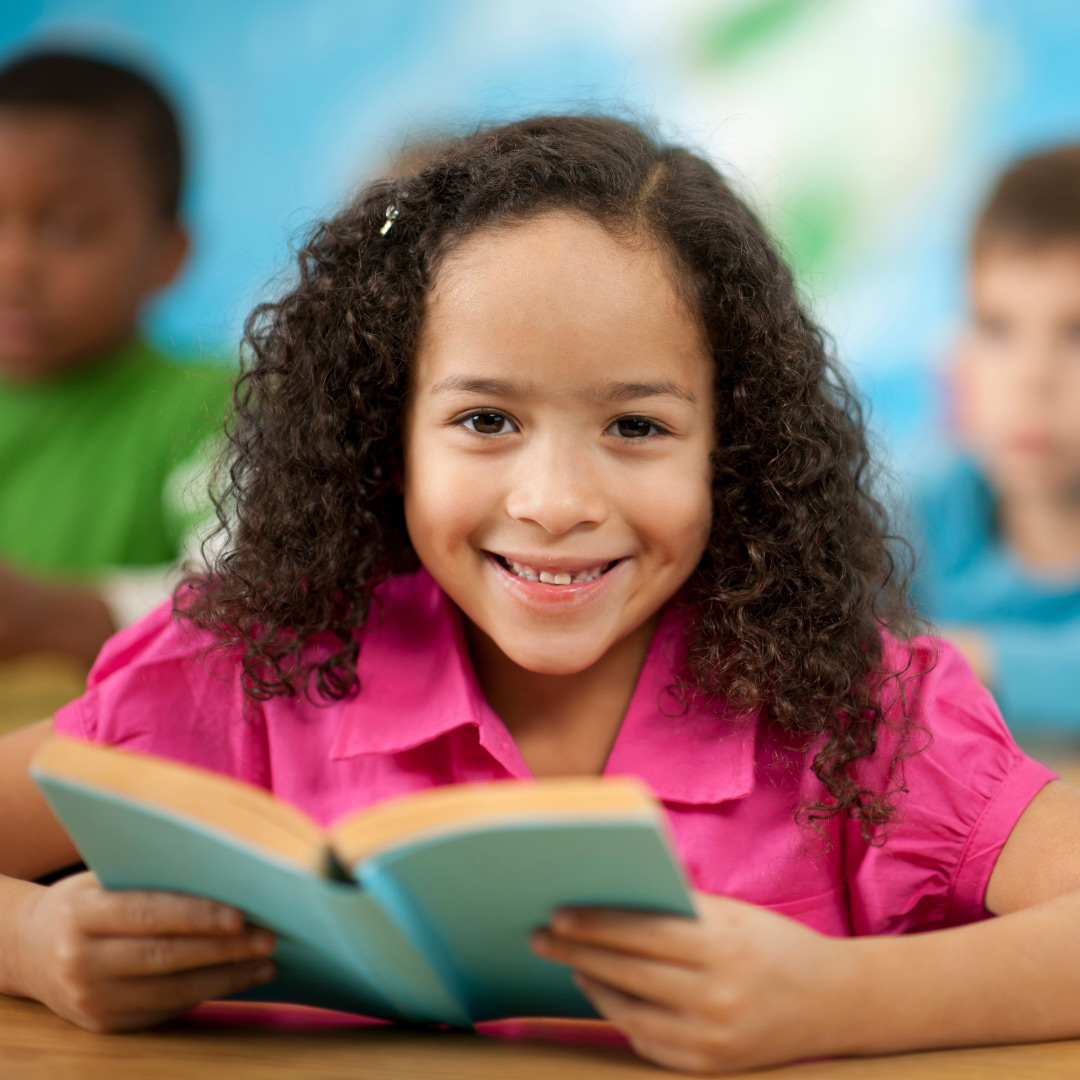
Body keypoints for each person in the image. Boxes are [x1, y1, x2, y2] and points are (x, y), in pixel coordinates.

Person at [1, 115, 1080, 1075]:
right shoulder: (250, 666)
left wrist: (836, 1002)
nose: (557, 500)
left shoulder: (864, 716)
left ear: (731, 452)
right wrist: (33, 947)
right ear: (386, 436)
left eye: (638, 427)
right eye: (485, 421)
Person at [0, 49, 232, 668]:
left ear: (168, 253)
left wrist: (53, 617)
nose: (14, 264)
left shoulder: (214, 407)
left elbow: (257, 590)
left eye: (68, 228)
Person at [909, 145, 1080, 733]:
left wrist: (963, 662)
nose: (1032, 377)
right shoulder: (922, 516)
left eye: (1077, 334)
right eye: (997, 329)